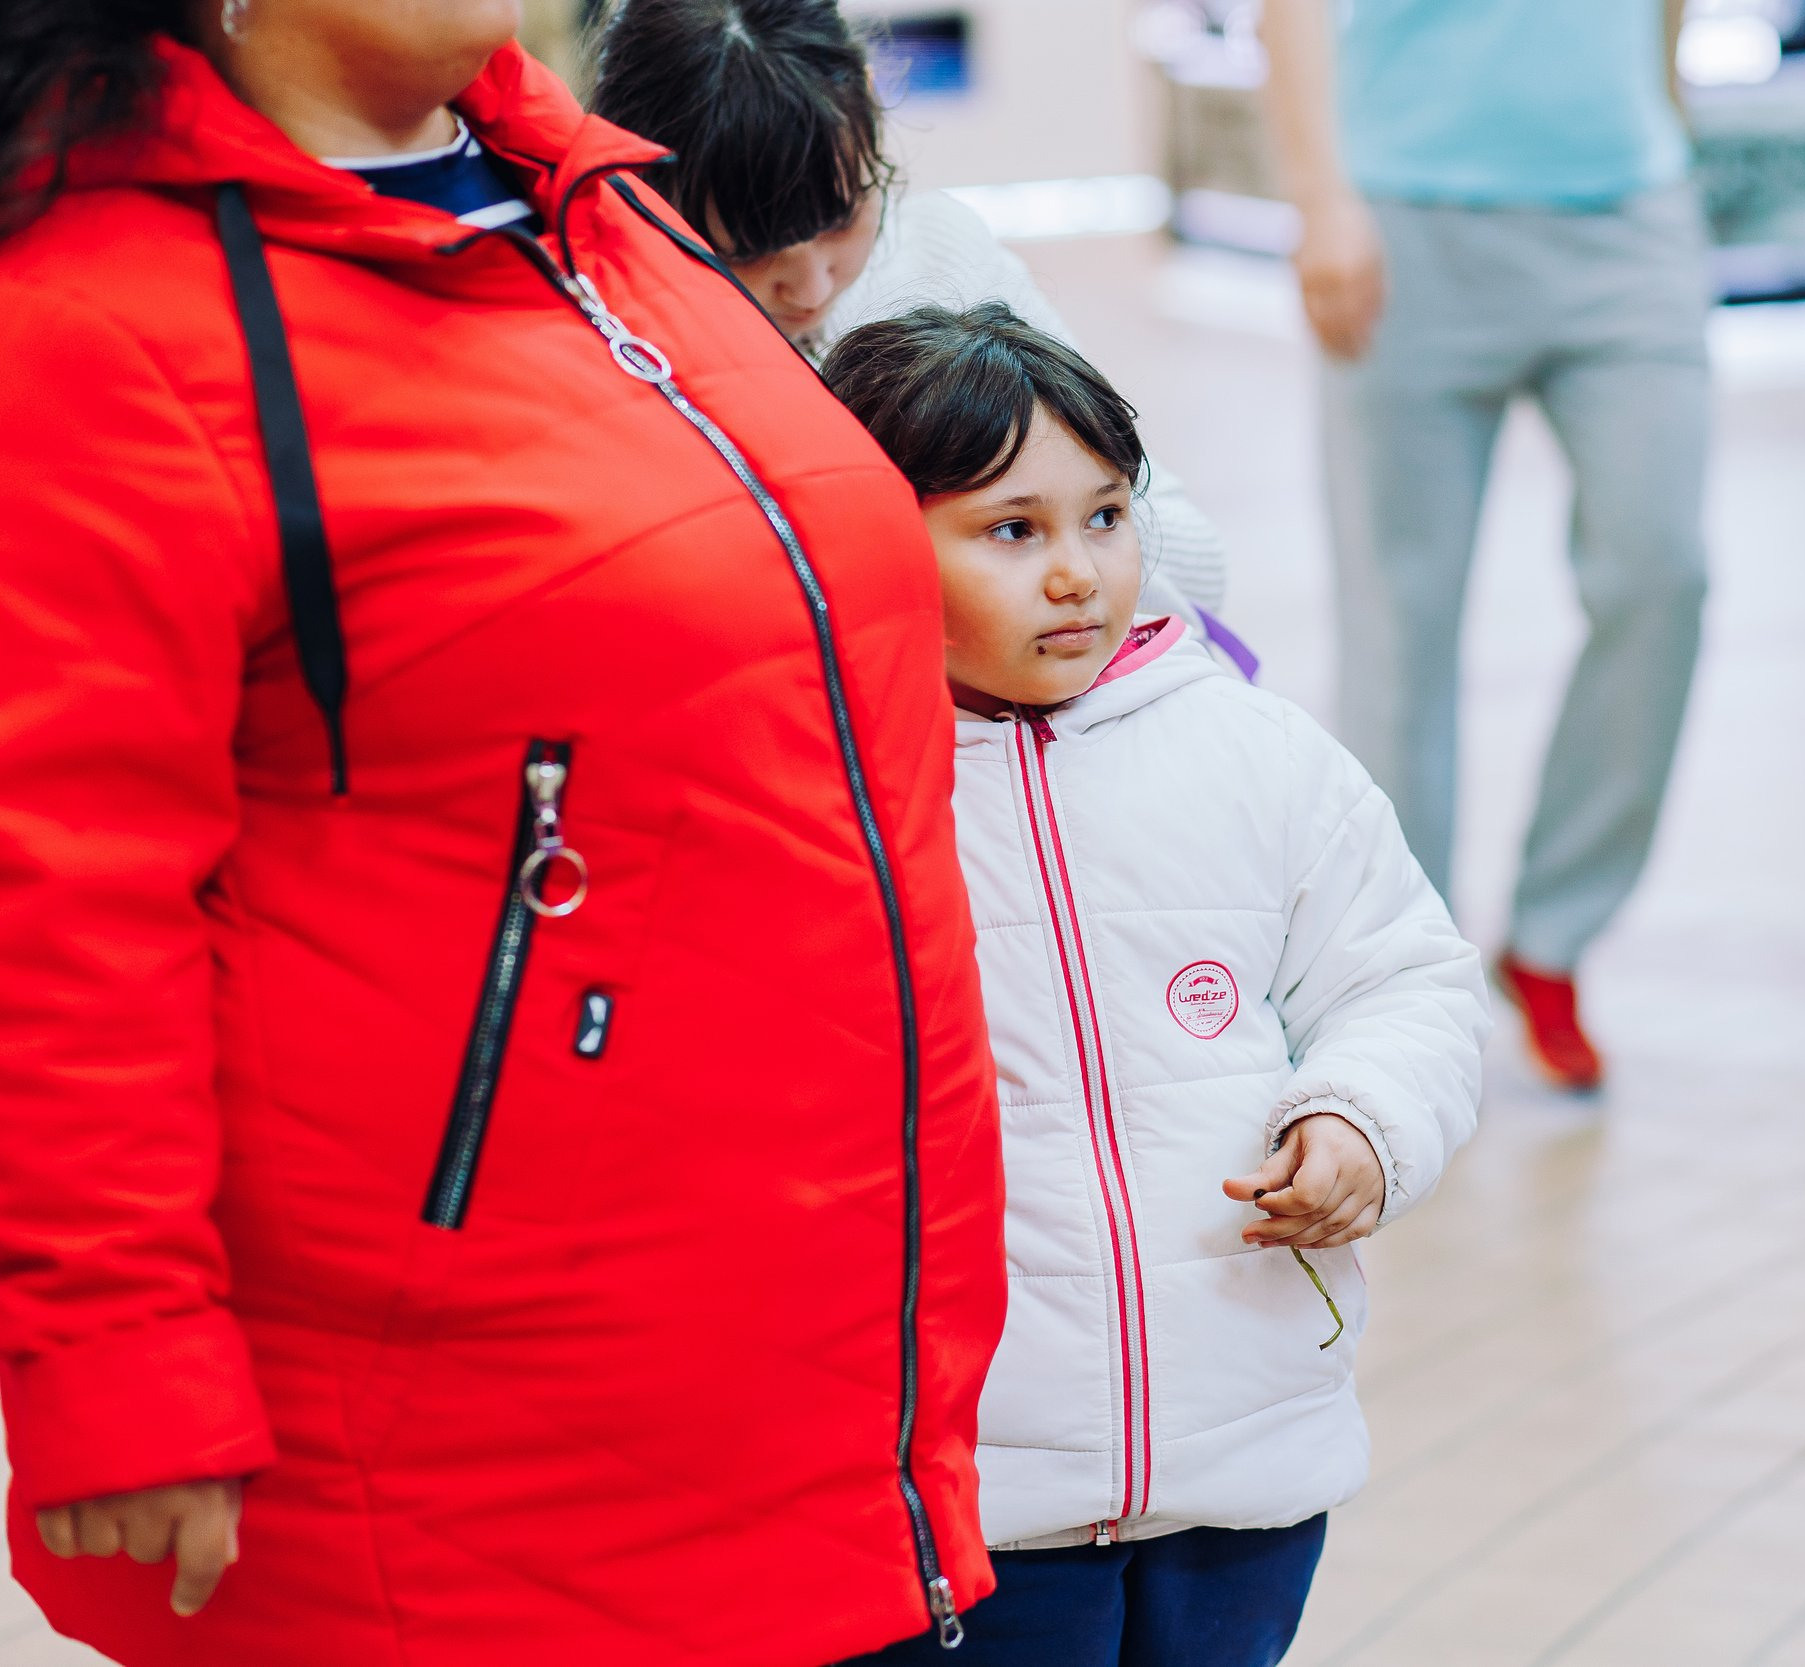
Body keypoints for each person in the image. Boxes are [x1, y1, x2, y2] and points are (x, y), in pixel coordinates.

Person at [0, 5, 1005, 1664]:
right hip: (463, 1446)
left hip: (807, 1359)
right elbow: (55, 899)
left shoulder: (594, 209)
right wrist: (111, 1349)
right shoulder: (101, 319)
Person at [820, 304, 1487, 1666]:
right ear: (870, 536)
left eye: (1105, 516)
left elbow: (1404, 974)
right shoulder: (837, 787)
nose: (1077, 571)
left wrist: (1361, 1118)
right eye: (1012, 530)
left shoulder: (1249, 750)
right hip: (967, 1498)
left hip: (1244, 1459)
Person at [1258, 0, 1712, 1093]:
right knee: (1400, 626)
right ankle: (1396, 981)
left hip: (1628, 215)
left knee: (1663, 571)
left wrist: (1665, 121)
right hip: (1407, 219)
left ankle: (1553, 930)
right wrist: (1323, 198)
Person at [587, 0, 1232, 627]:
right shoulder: (609, 346)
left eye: (841, 219)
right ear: (630, 198)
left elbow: (1185, 552)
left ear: (870, 108)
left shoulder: (937, 255)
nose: (811, 286)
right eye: (745, 251)